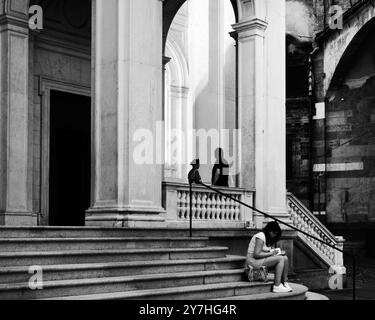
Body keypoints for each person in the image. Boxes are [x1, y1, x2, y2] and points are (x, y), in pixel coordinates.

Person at [246, 221, 293, 293]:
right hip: (253, 262)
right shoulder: (261, 236)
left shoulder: (268, 239)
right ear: (269, 231)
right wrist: (272, 253)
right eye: (273, 233)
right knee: (280, 259)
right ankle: (277, 286)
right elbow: (256, 254)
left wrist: (278, 252)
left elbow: (266, 252)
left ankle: (284, 283)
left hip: (261, 260)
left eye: (276, 234)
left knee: (285, 258)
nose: (274, 235)